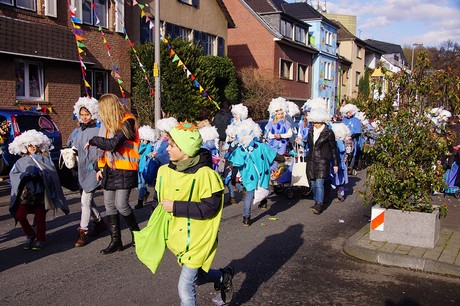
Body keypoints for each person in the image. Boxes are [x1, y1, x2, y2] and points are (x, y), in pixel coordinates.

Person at [134, 122, 234, 305]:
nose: (167, 148)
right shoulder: (164, 171)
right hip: (178, 239)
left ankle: (221, 276)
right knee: (198, 276)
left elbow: (209, 208)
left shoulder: (206, 175)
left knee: (185, 287)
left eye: (172, 145)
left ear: (186, 150)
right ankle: (222, 276)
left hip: (198, 238)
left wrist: (176, 206)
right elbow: (158, 200)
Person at [86, 93, 140, 254]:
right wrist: (100, 168)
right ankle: (115, 241)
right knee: (109, 205)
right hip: (110, 170)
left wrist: (93, 140)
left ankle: (137, 235)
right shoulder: (108, 124)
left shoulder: (128, 121)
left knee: (121, 205)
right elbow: (104, 150)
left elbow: (113, 144)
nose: (101, 114)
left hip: (126, 169)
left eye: (102, 110)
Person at [9, 130, 69, 251]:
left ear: (38, 145)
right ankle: (30, 234)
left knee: (40, 219)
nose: (32, 147)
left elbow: (52, 174)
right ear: (25, 146)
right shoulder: (20, 162)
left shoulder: (45, 159)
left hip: (41, 195)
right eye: (29, 145)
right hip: (26, 195)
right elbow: (13, 174)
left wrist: (41, 175)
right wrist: (24, 176)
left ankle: (40, 239)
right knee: (20, 215)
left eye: (34, 145)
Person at [227, 118, 285, 226]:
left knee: (249, 195)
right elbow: (274, 155)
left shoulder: (239, 150)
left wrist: (232, 170)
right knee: (263, 188)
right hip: (261, 174)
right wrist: (282, 159)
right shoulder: (261, 147)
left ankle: (246, 218)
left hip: (249, 177)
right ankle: (263, 203)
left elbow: (235, 163)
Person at [69, 97, 107, 247]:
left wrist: (98, 167)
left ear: (93, 114)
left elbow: (102, 150)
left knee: (85, 201)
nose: (84, 117)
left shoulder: (98, 130)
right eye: (82, 114)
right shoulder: (77, 131)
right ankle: (99, 222)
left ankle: (82, 232)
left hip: (93, 169)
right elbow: (70, 145)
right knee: (87, 201)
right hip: (79, 170)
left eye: (87, 114)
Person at [305, 108, 339, 214]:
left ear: (322, 121)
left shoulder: (328, 133)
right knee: (313, 183)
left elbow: (333, 149)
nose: (315, 124)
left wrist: (335, 164)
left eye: (317, 122)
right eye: (314, 122)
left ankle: (319, 204)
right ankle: (316, 201)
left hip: (322, 161)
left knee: (319, 183)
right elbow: (309, 146)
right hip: (311, 160)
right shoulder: (310, 131)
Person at [134, 125, 156, 209]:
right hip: (137, 167)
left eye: (145, 139)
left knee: (141, 185)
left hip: (144, 168)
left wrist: (144, 145)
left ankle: (140, 202)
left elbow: (148, 154)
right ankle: (145, 193)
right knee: (137, 185)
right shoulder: (138, 145)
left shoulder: (149, 146)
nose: (143, 140)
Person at [331, 123, 351, 202]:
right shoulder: (338, 141)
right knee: (337, 179)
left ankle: (341, 195)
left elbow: (342, 150)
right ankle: (339, 193)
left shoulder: (339, 142)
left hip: (339, 163)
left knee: (339, 180)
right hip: (336, 163)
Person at [340, 104, 362, 171]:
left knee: (352, 152)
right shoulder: (344, 120)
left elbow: (358, 132)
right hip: (344, 140)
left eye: (349, 112)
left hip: (352, 140)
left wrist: (351, 137)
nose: (348, 114)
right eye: (347, 112)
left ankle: (351, 166)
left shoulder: (357, 121)